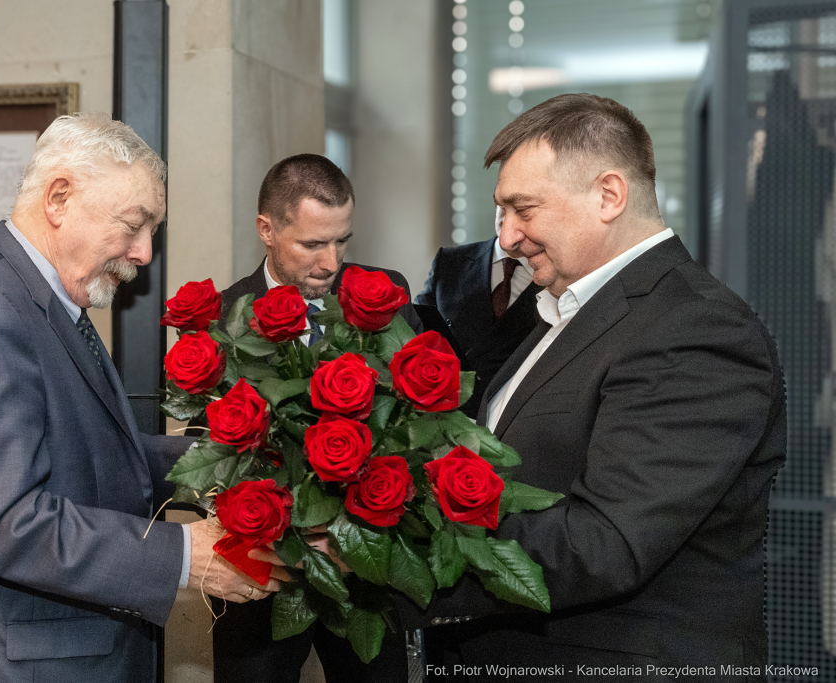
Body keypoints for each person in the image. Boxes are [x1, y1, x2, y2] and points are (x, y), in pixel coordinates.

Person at [397, 94, 786, 681]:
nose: (506, 238)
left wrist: (388, 565)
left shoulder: (696, 327)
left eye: (523, 208)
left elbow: (604, 543)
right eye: (502, 213)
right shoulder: (569, 311)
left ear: (609, 195)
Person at [0, 113, 286, 683]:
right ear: (59, 198)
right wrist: (182, 557)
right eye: (133, 225)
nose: (145, 253)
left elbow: (94, 459)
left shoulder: (41, 296)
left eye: (153, 231)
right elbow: (3, 523)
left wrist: (232, 458)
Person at [212, 153, 422, 683]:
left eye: (342, 241)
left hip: (365, 568)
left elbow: (417, 422)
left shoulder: (383, 295)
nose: (332, 262)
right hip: (264, 567)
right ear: (266, 229)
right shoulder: (223, 316)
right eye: (312, 244)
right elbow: (213, 450)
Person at [414, 209, 541, 419]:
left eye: (520, 208)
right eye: (502, 204)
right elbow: (417, 330)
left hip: (517, 418)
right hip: (441, 414)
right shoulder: (451, 260)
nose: (507, 216)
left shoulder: (562, 277)